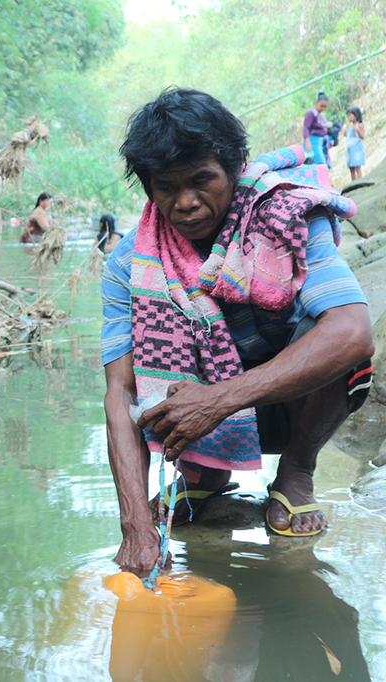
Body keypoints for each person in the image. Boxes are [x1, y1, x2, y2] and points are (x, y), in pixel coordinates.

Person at [101, 88, 374, 577]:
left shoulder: (286, 214)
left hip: (288, 402)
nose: (185, 202)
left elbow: (353, 332)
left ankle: (296, 471)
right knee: (132, 365)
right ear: (148, 189)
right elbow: (120, 395)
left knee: (335, 340)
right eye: (166, 187)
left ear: (232, 169)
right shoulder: (130, 262)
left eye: (202, 180)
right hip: (194, 413)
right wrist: (136, 524)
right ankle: (205, 469)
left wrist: (218, 400)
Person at [302, 92, 332, 167]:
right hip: (313, 142)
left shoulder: (321, 115)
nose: (323, 108)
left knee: (324, 164)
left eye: (325, 107)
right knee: (319, 165)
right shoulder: (311, 113)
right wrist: (308, 142)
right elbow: (306, 128)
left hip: (320, 142)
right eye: (321, 106)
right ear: (316, 103)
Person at [345, 106, 366, 181]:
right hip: (350, 148)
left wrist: (357, 130)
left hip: (356, 148)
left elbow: (362, 136)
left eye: (350, 115)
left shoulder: (359, 125)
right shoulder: (350, 127)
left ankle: (359, 181)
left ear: (356, 116)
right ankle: (354, 182)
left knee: (357, 166)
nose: (348, 118)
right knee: (351, 167)